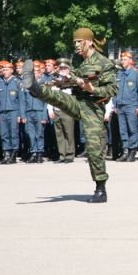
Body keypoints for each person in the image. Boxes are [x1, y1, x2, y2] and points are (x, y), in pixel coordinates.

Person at [22, 28, 118, 203]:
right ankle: (35, 87)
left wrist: (92, 88)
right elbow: (75, 79)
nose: (76, 45)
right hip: (77, 101)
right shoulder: (78, 60)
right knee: (58, 97)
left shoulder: (104, 63)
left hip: (93, 107)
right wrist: (66, 80)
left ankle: (100, 189)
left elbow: (112, 90)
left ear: (89, 42)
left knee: (93, 148)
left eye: (79, 42)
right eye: (74, 42)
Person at [48, 58, 76, 163]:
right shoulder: (54, 81)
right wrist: (50, 109)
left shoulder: (72, 81)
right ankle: (62, 155)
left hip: (67, 110)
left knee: (69, 133)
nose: (62, 70)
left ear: (68, 69)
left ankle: (70, 154)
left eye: (65, 68)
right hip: (56, 110)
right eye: (61, 68)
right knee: (59, 134)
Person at [0, 61, 22, 164]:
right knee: (4, 134)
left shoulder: (16, 82)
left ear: (11, 70)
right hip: (2, 112)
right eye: (3, 70)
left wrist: (20, 114)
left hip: (13, 111)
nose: (4, 71)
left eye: (7, 70)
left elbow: (20, 100)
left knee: (13, 133)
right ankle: (6, 154)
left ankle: (13, 155)